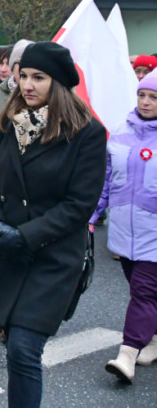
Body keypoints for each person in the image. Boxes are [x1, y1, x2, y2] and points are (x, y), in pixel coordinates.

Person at [0, 41, 106, 408]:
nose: (26, 85)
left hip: (54, 257)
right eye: (24, 76)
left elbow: (80, 205)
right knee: (13, 343)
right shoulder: (10, 123)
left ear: (59, 83)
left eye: (38, 77)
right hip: (6, 252)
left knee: (23, 348)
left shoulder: (87, 133)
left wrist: (26, 235)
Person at [90, 71, 157, 382]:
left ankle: (127, 354)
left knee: (143, 293)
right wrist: (92, 216)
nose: (146, 102)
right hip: (122, 232)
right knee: (143, 291)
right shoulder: (119, 131)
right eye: (143, 95)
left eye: (154, 97)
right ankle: (154, 339)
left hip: (154, 234)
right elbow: (106, 180)